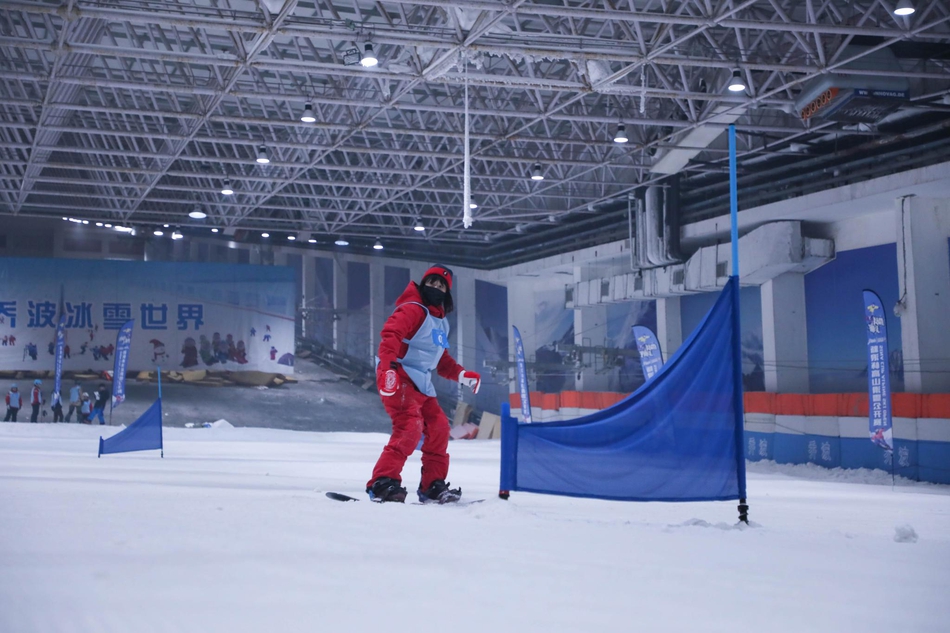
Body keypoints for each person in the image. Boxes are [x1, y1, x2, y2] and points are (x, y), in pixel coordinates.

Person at [366, 265, 481, 503]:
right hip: (399, 374)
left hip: (421, 383)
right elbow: (390, 336)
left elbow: (441, 360)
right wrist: (387, 369)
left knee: (438, 428)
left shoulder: (440, 323)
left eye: (441, 286)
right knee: (410, 426)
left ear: (446, 293)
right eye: (431, 283)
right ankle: (383, 482)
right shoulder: (412, 309)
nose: (435, 288)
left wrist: (462, 375)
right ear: (422, 285)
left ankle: (433, 485)